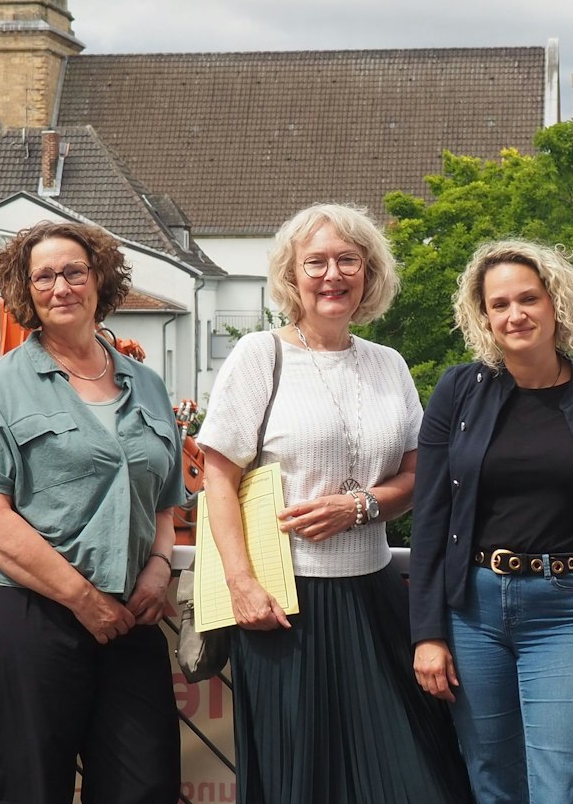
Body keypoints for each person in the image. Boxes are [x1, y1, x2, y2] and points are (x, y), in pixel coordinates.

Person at [198, 203, 471, 804]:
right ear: (291, 277)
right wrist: (242, 585)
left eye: (348, 260)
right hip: (281, 604)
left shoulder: (388, 365)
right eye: (315, 261)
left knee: (415, 778)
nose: (332, 274)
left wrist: (362, 506)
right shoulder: (259, 356)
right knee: (302, 781)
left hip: (373, 596)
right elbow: (216, 476)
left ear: (369, 274)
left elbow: (418, 476)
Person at [0, 221, 184, 804]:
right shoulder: (3, 385)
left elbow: (164, 499)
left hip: (127, 612)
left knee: (145, 783)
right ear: (27, 291)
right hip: (20, 609)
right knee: (31, 787)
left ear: (99, 278)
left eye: (73, 271)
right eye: (43, 276)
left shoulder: (146, 385)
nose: (61, 287)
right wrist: (81, 597)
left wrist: (158, 565)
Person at [409, 238, 573, 804]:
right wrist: (427, 633)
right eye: (499, 304)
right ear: (484, 316)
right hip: (473, 610)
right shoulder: (458, 390)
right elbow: (430, 519)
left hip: (567, 610)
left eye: (528, 299)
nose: (515, 314)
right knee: (492, 782)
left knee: (560, 786)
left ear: (555, 304)